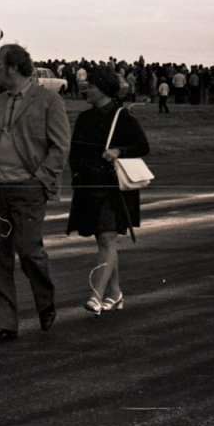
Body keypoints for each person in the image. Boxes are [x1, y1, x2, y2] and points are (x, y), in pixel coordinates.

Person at [0, 44, 69, 342]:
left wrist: (39, 179)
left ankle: (45, 299)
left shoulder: (49, 101)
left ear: (13, 67)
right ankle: (4, 322)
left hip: (28, 189)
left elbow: (61, 146)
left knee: (28, 251)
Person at [66, 66, 150, 315]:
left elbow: (142, 146)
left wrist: (119, 151)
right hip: (89, 187)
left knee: (106, 239)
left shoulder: (123, 117)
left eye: (91, 86)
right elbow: (75, 152)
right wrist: (78, 176)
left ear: (103, 89)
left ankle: (96, 295)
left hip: (114, 189)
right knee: (104, 241)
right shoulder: (84, 118)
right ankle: (115, 294)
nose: (86, 89)